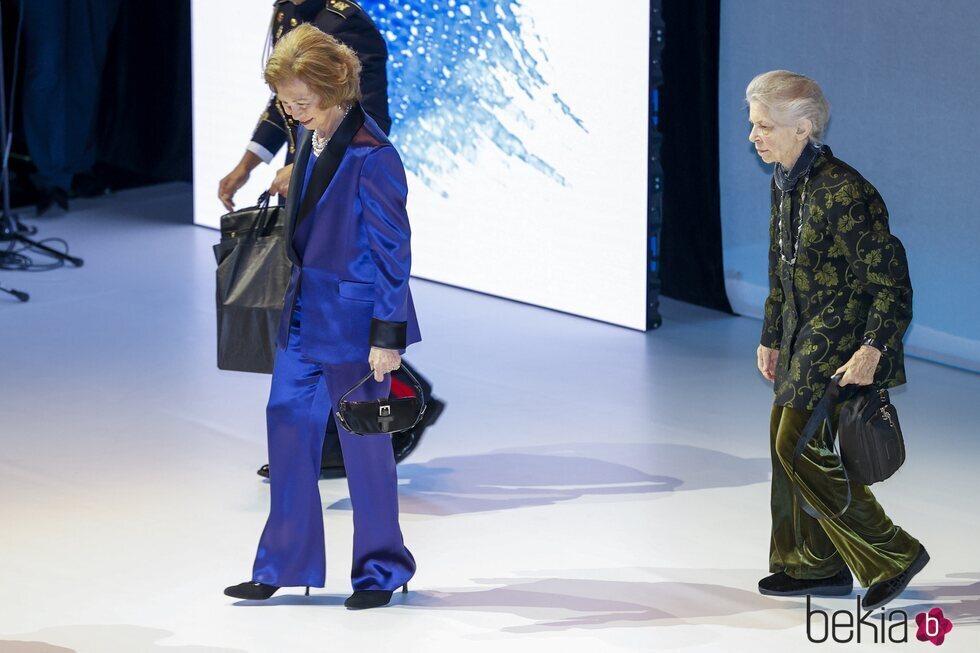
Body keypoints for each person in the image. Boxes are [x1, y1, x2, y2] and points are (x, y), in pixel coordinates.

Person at [224, 24, 418, 610]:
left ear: (335, 89)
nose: (292, 111)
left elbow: (393, 251)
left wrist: (388, 336)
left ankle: (382, 570)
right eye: (286, 101)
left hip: (355, 329)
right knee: (285, 424)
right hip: (304, 316)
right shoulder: (310, 140)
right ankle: (284, 563)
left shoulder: (373, 155)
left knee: (365, 450)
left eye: (300, 102)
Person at [217, 0, 442, 479]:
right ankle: (323, 439)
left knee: (345, 311)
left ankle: (385, 406)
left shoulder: (346, 25)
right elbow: (286, 99)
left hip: (337, 192)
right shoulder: (288, 12)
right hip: (305, 187)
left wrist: (305, 165)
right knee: (313, 317)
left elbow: (363, 114)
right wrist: (248, 163)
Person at [748, 70, 928, 611]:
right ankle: (812, 565)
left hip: (841, 339)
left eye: (764, 126)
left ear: (803, 127)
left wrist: (873, 349)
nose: (753, 137)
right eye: (752, 125)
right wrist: (771, 333)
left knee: (796, 446)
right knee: (787, 445)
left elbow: (892, 283)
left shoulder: (845, 191)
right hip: (802, 336)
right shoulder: (785, 181)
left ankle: (892, 553)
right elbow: (782, 269)